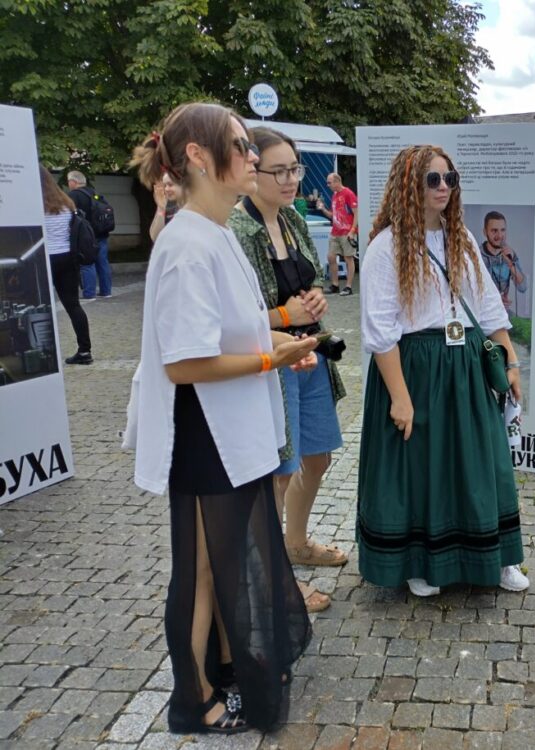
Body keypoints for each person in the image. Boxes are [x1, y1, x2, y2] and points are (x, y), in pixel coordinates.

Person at [125, 102, 316, 735]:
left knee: (225, 555)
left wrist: (283, 333)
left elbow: (231, 323)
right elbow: (186, 363)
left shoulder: (216, 231)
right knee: (202, 567)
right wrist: (270, 358)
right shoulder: (186, 245)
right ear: (200, 158)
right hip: (205, 430)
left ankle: (229, 667)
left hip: (226, 425)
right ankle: (195, 697)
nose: (253, 155)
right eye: (241, 144)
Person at [358, 144, 529, 598]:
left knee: (482, 461)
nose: (443, 188)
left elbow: (489, 305)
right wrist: (399, 395)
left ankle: (499, 555)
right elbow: (380, 331)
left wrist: (509, 359)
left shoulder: (463, 239)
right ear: (410, 185)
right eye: (433, 179)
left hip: (465, 363)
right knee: (421, 466)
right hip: (416, 365)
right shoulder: (386, 247)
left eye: (449, 179)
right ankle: (417, 561)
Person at [229, 126, 351, 615]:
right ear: (251, 170)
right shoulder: (237, 231)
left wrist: (317, 295)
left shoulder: (293, 220)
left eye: (294, 169)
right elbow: (231, 322)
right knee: (279, 470)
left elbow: (310, 278)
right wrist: (285, 317)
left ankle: (295, 543)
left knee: (317, 456)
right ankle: (277, 579)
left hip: (310, 355)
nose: (290, 180)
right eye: (278, 171)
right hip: (272, 364)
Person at [39, 166, 92, 365]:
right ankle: (85, 351)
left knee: (40, 307)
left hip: (44, 260)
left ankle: (44, 353)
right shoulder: (66, 202)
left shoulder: (35, 204)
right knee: (73, 305)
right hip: (67, 258)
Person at [67, 171, 112, 299]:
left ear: (73, 182)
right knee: (102, 262)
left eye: (69, 181)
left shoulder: (73, 195)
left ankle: (89, 293)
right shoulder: (94, 193)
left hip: (85, 235)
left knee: (87, 263)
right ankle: (106, 291)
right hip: (101, 233)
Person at [479, 211, 527, 315]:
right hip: (482, 313)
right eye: (494, 231)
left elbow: (523, 287)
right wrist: (495, 300)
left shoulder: (510, 253)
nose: (499, 235)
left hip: (503, 312)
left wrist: (510, 264)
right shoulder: (476, 256)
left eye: (503, 230)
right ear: (485, 232)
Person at [317, 173, 358, 295]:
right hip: (335, 231)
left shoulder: (348, 194)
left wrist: (352, 230)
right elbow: (333, 215)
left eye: (329, 182)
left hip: (347, 232)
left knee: (348, 258)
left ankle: (348, 287)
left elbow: (356, 213)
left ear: (337, 181)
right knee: (331, 257)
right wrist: (322, 209)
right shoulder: (335, 195)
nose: (328, 185)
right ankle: (335, 285)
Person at [150, 172, 184, 242]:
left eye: (170, 185)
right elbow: (155, 237)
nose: (166, 189)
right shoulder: (167, 202)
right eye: (165, 185)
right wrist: (161, 208)